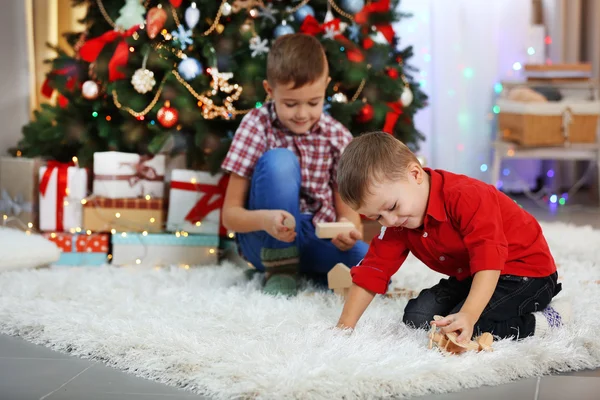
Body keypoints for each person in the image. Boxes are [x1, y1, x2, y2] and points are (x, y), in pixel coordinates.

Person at [334, 131, 570, 341]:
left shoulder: (466, 196)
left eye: (393, 206)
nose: (390, 221)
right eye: (377, 218)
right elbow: (373, 269)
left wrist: (468, 314)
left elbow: (488, 258)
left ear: (415, 174)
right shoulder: (397, 220)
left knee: (469, 326)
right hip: (471, 274)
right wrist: (344, 327)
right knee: (417, 317)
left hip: (526, 274)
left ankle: (543, 321)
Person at [221, 33, 368, 296]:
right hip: (264, 237)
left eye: (314, 102)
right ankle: (278, 268)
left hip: (313, 236)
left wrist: (348, 231)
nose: (302, 114)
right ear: (269, 91)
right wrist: (266, 220)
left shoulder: (336, 136)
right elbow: (230, 215)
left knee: (369, 265)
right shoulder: (256, 126)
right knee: (280, 161)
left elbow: (349, 215)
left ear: (326, 87)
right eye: (290, 104)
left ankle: (301, 270)